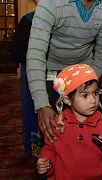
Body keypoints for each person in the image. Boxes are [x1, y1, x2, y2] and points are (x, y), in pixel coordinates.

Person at [26, 0, 102, 143]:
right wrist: (42, 105)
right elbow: (36, 54)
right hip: (52, 70)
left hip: (84, 69)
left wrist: (91, 79)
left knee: (89, 130)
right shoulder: (50, 3)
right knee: (54, 131)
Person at [36, 64, 102, 179]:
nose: (93, 100)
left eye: (95, 93)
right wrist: (47, 162)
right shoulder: (58, 124)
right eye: (85, 95)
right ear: (67, 100)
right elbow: (50, 148)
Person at [10, 0, 43, 158]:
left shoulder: (28, 20)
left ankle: (40, 153)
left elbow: (16, 54)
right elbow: (16, 53)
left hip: (40, 73)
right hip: (39, 72)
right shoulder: (28, 21)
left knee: (36, 111)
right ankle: (42, 153)